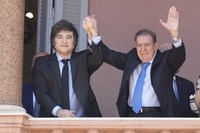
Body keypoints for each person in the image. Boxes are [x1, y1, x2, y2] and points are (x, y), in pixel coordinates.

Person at [84, 6, 185, 117]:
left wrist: (174, 33)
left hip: (156, 116)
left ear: (155, 45)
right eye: (139, 45)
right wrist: (95, 33)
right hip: (131, 115)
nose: (143, 50)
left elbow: (178, 56)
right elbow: (108, 55)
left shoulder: (164, 62)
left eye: (147, 45)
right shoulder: (131, 59)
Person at [32, 19, 103, 117]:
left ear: (74, 42)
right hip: (52, 121)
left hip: (83, 122)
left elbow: (97, 59)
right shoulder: (41, 63)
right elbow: (40, 92)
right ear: (53, 41)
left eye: (69, 37)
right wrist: (58, 111)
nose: (64, 41)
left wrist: (94, 33)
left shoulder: (82, 59)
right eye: (59, 37)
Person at [22, 51, 48, 117]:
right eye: (37, 64)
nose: (40, 69)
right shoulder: (21, 91)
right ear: (32, 68)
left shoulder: (58, 91)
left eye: (44, 65)